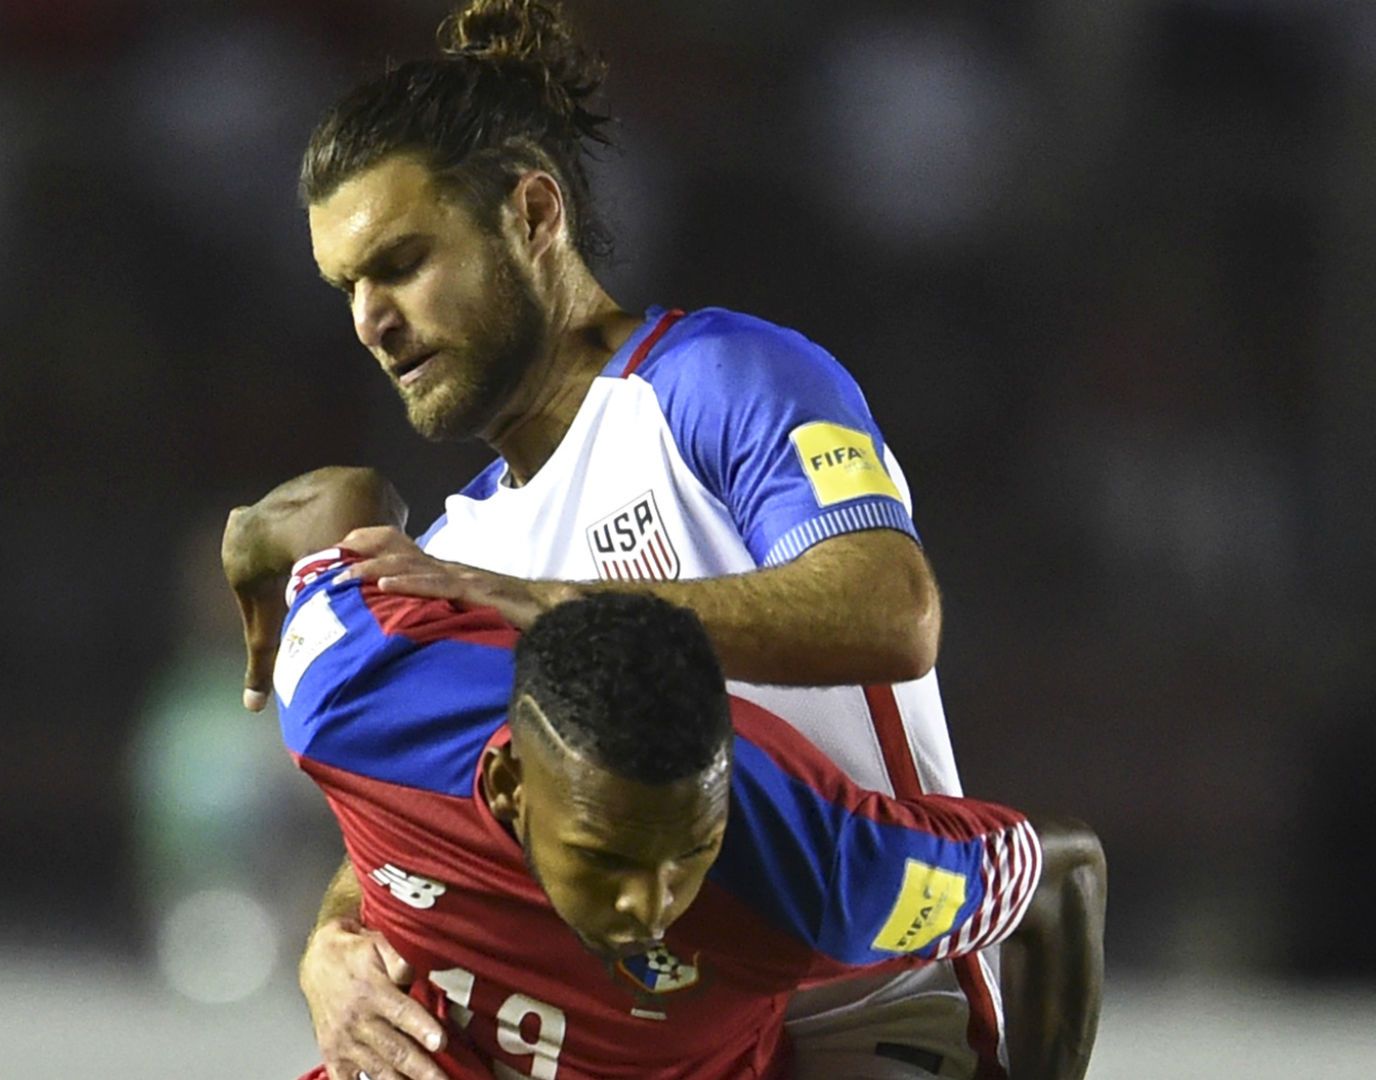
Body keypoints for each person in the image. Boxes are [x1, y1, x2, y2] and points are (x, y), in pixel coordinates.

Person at [233, 2, 1018, 1077]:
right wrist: (336, 940)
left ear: (534, 214)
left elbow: (892, 611)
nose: (371, 320)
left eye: (402, 262)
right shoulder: (465, 540)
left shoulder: (715, 379)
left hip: (873, 1007)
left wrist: (553, 601)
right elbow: (437, 817)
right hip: (662, 1029)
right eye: (350, 289)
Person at [222, 468, 1103, 1080]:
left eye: (693, 854)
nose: (652, 907)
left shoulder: (826, 877)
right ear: (508, 796)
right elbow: (335, 505)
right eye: (609, 860)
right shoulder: (355, 685)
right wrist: (247, 547)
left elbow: (1061, 872)